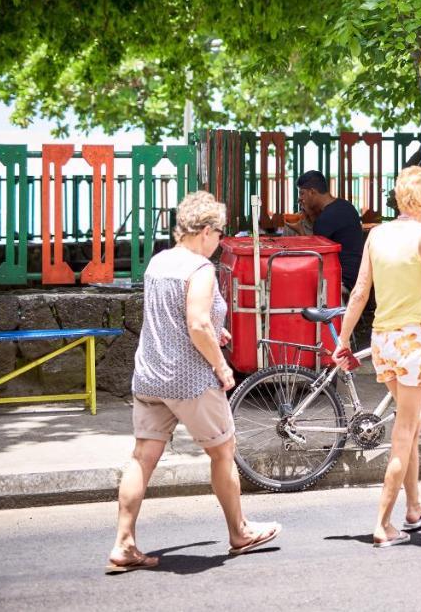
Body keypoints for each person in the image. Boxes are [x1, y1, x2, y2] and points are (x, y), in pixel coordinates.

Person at [109, 191, 280, 573]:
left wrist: (212, 333)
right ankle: (239, 531)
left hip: (150, 376)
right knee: (222, 451)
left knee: (142, 457)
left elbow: (173, 319)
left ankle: (123, 544)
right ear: (204, 231)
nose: (219, 241)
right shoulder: (199, 269)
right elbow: (197, 323)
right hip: (189, 380)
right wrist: (221, 366)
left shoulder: (159, 262)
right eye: (218, 233)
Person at [331, 166, 421, 548]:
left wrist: (343, 339)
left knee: (409, 426)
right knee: (404, 434)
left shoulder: (377, 235)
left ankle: (414, 506)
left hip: (382, 340)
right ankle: (382, 524)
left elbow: (360, 292)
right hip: (413, 341)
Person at [296, 170, 365, 290]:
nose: (300, 199)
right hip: (357, 274)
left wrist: (299, 229)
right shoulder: (345, 206)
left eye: (302, 194)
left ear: (312, 192)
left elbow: (313, 255)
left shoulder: (326, 217)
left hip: (342, 280)